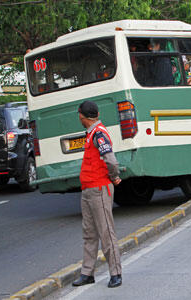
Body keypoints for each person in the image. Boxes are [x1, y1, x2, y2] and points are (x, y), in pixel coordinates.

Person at [72, 101, 123, 288]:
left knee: (106, 232)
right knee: (89, 233)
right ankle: (87, 273)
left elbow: (111, 160)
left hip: (99, 188)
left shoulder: (98, 134)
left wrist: (114, 176)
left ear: (82, 116)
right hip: (88, 189)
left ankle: (115, 272)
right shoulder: (92, 133)